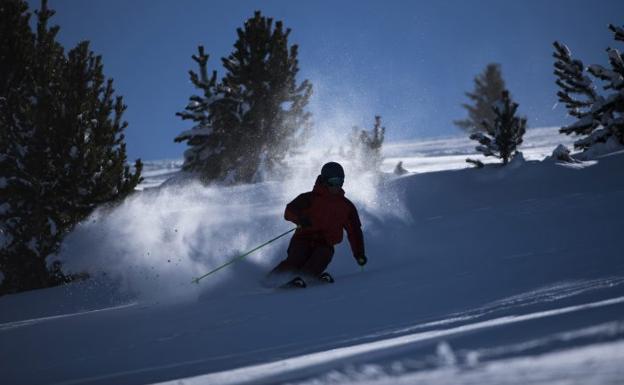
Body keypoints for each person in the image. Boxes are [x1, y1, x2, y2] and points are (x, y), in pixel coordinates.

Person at [269, 162, 367, 287]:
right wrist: (300, 218)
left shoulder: (346, 207)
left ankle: (306, 277)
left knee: (321, 256)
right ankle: (272, 280)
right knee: (297, 258)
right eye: (333, 182)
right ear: (325, 181)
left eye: (340, 182)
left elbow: (354, 231)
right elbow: (289, 211)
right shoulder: (309, 198)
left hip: (326, 243)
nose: (336, 186)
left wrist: (359, 253)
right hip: (303, 239)